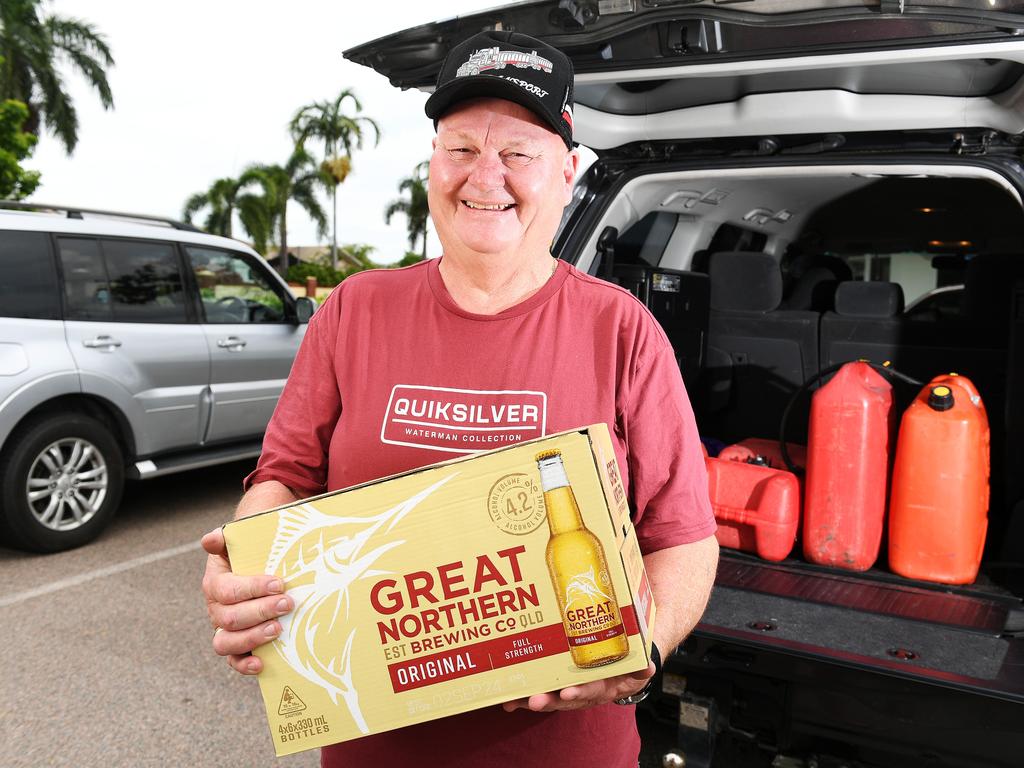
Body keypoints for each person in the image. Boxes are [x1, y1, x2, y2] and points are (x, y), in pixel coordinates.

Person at [201, 30, 718, 768]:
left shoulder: (621, 331)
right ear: (432, 164)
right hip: (374, 745)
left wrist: (646, 652)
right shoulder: (355, 309)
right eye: (463, 148)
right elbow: (284, 477)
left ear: (567, 173)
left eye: (518, 153)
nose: (486, 176)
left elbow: (683, 536)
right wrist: (244, 570)